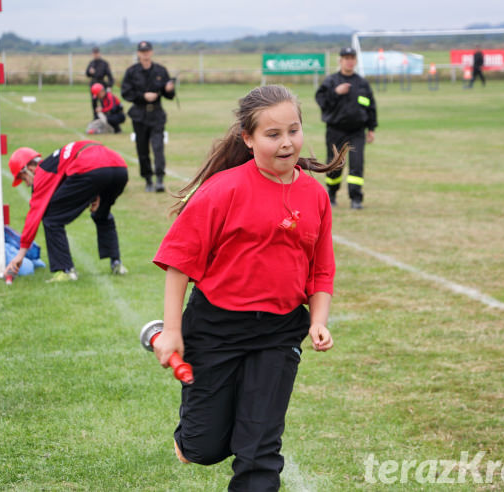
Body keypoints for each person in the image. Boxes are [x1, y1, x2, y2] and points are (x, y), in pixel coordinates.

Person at [151, 85, 346, 491]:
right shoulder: (222, 189)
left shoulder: (314, 196)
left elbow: (321, 270)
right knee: (204, 447)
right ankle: (188, 427)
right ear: (248, 138)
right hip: (215, 327)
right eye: (273, 134)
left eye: (293, 131)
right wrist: (172, 331)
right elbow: (178, 261)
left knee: (259, 449)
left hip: (278, 332)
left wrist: (319, 321)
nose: (287, 142)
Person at [6, 140, 129, 282]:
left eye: (23, 178)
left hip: (92, 169)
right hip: (119, 168)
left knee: (51, 218)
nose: (27, 184)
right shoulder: (56, 162)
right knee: (102, 213)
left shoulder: (43, 172)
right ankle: (116, 263)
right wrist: (95, 194)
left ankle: (66, 270)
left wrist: (20, 254)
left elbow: (35, 214)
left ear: (29, 168)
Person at [315, 46, 377, 209]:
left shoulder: (362, 83)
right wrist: (335, 92)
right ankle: (332, 193)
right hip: (336, 130)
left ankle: (356, 198)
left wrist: (371, 128)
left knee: (357, 164)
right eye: (346, 58)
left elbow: (371, 107)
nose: (349, 61)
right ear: (340, 61)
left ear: (355, 61)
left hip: (357, 131)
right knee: (335, 164)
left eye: (352, 58)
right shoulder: (331, 81)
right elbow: (321, 100)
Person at [121, 41, 175, 193]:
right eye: (142, 51)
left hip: (157, 114)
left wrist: (169, 89)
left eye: (147, 51)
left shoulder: (160, 70)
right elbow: (126, 93)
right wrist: (143, 96)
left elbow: (169, 95)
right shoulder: (132, 71)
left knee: (158, 147)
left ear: (151, 52)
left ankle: (159, 179)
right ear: (138, 53)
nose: (145, 53)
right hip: (139, 115)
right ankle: (148, 180)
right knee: (142, 149)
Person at [85, 47, 114, 120]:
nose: (95, 55)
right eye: (94, 53)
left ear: (99, 53)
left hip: (101, 85)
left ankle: (105, 117)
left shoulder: (104, 63)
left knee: (103, 102)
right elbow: (87, 74)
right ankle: (95, 117)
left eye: (97, 53)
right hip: (94, 85)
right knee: (94, 101)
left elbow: (110, 76)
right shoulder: (91, 63)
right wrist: (89, 72)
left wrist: (109, 85)